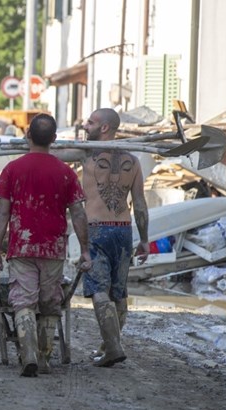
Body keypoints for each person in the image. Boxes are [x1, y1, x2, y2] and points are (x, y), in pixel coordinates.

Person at [0, 114, 92, 377]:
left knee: (23, 301)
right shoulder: (66, 172)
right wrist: (85, 250)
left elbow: (2, 213)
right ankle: (44, 359)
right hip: (52, 248)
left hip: (22, 246)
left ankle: (29, 355)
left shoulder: (13, 169)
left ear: (27, 136)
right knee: (49, 303)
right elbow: (78, 213)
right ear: (54, 140)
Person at [79, 108, 149, 367]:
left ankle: (113, 347)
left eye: (91, 122)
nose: (86, 126)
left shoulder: (87, 153)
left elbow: (50, 152)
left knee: (99, 290)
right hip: (123, 229)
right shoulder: (132, 159)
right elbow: (139, 204)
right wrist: (144, 238)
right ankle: (108, 345)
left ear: (105, 128)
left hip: (97, 229)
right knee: (118, 293)